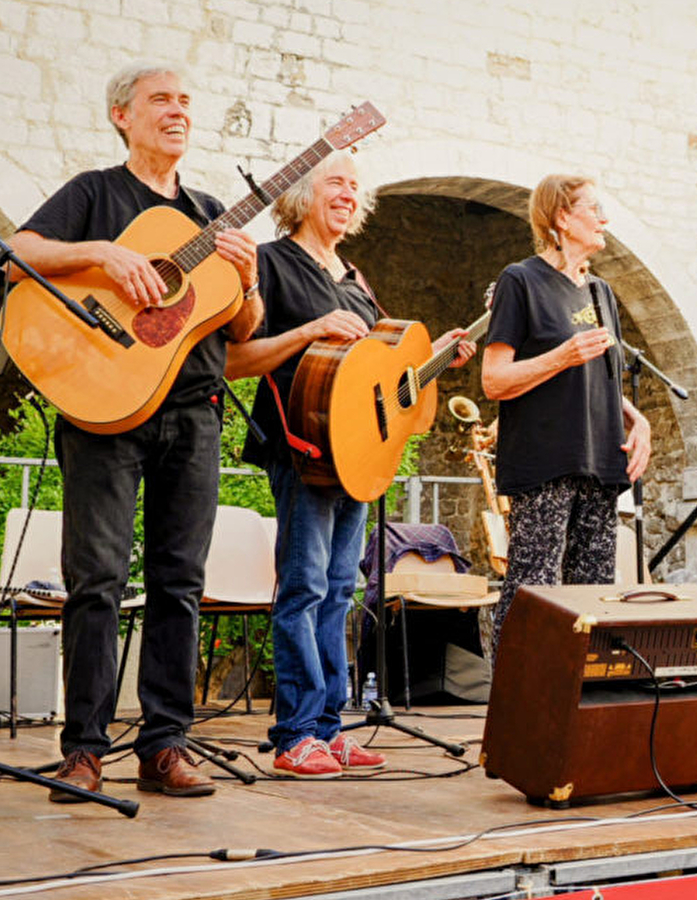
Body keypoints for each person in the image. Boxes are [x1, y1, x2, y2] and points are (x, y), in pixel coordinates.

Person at [8, 62, 263, 800]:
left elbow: (242, 329)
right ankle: (82, 750)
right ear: (122, 115)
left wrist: (246, 281)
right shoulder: (94, 193)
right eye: (160, 100)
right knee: (96, 580)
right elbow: (17, 254)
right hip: (103, 412)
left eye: (186, 100)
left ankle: (163, 746)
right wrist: (103, 252)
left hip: (193, 413)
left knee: (180, 582)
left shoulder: (212, 212)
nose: (176, 111)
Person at [225, 152, 475, 778]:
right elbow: (238, 358)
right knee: (305, 586)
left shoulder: (357, 278)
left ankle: (331, 729)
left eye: (356, 188)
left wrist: (436, 356)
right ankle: (294, 735)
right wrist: (310, 330)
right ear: (302, 195)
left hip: (357, 453)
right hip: (303, 445)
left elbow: (378, 378)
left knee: (342, 588)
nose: (348, 194)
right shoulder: (274, 263)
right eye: (336, 182)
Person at [481, 174, 651, 646]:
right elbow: (494, 380)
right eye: (594, 209)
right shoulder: (522, 280)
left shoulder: (601, 293)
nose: (604, 219)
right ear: (561, 217)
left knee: (592, 603)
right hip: (544, 463)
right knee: (532, 593)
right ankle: (517, 712)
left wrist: (640, 422)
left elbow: (599, 379)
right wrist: (563, 355)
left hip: (601, 462)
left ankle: (579, 712)